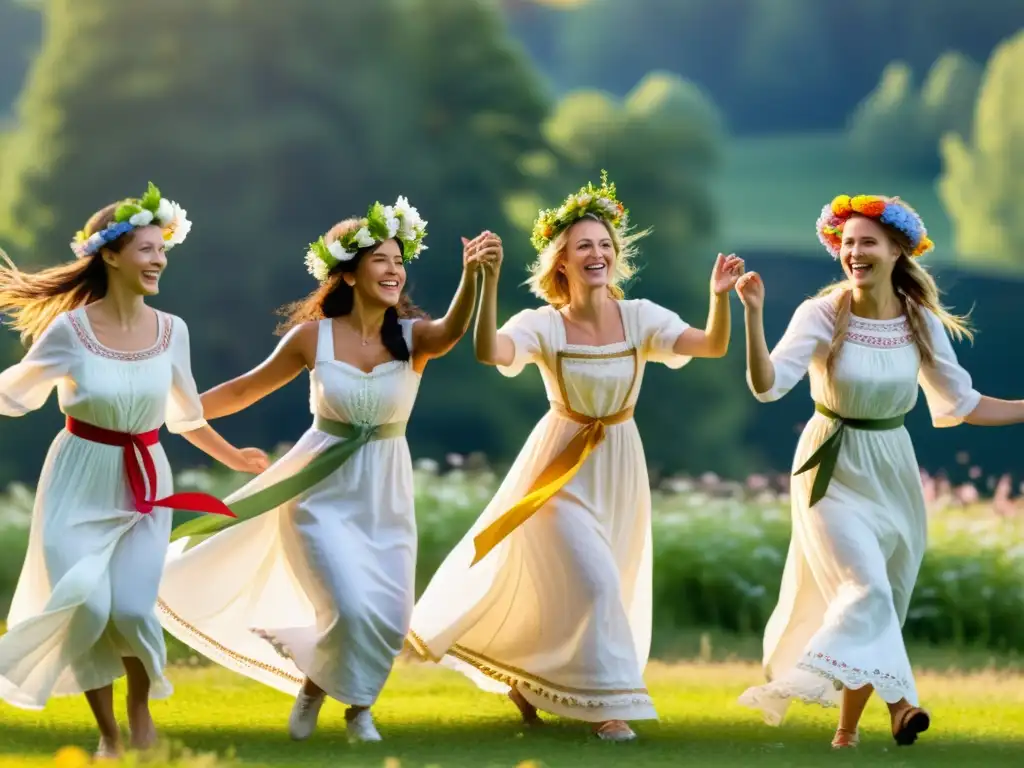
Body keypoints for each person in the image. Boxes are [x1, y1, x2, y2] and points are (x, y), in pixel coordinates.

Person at [407, 172, 744, 741]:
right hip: (557, 468)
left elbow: (711, 345)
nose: (598, 254)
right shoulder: (543, 323)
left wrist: (719, 299)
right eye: (584, 245)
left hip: (619, 461)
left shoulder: (639, 316)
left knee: (597, 581)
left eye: (605, 245)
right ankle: (610, 709)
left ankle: (529, 679)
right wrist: (486, 282)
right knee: (595, 583)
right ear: (561, 260)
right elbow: (492, 352)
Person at [157, 197, 497, 743]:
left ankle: (317, 688)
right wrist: (173, 407)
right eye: (381, 260)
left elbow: (454, 330)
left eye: (399, 260)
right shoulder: (311, 338)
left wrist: (474, 277)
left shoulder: (412, 338)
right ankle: (359, 712)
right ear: (349, 272)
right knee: (346, 603)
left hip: (385, 489)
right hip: (317, 489)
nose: (394, 270)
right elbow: (244, 389)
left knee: (387, 614)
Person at [734, 194, 1024, 748]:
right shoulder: (821, 314)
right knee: (865, 586)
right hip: (830, 466)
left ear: (896, 251)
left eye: (867, 242)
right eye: (847, 243)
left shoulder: (919, 322)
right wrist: (753, 315)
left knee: (880, 597)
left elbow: (963, 403)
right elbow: (767, 385)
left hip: (892, 465)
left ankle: (846, 733)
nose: (854, 252)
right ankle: (903, 704)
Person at [0, 182, 268, 759]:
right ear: (111, 255)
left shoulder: (173, 332)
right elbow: (13, 393)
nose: (159, 261)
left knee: (129, 608)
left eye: (162, 250)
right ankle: (108, 734)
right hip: (78, 477)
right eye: (147, 250)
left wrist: (235, 459)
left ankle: (140, 714)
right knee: (86, 606)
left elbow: (186, 416)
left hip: (146, 480)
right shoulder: (69, 332)